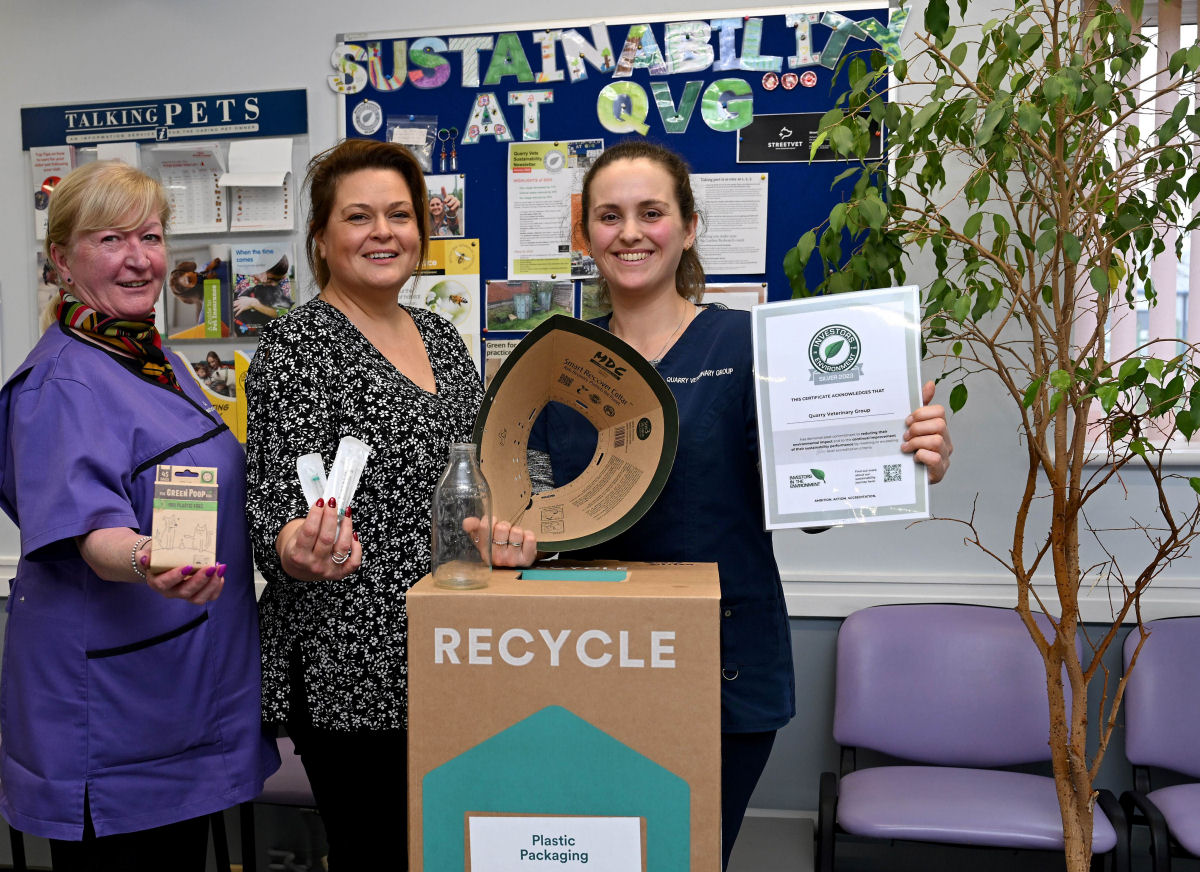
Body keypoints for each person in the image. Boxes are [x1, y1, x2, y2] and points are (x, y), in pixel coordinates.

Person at [526, 140, 953, 869]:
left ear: (689, 227)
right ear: (585, 234)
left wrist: (905, 453)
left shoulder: (759, 348)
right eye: (610, 215)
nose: (630, 232)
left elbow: (814, 502)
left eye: (651, 212)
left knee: (686, 859)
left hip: (724, 670)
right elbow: (538, 513)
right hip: (587, 664)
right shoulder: (555, 366)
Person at [243, 138, 536, 871]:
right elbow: (277, 506)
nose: (383, 232)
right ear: (321, 238)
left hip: (448, 645)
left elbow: (479, 469)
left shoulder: (437, 334)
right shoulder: (297, 345)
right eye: (359, 216)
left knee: (447, 849)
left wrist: (507, 532)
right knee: (377, 852)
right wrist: (299, 548)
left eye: (400, 215)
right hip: (353, 661)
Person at [0, 160, 279, 872]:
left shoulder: (151, 358)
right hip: (116, 720)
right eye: (110, 239)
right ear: (61, 259)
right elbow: (92, 534)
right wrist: (146, 559)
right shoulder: (60, 382)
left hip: (181, 694)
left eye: (150, 237)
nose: (138, 259)